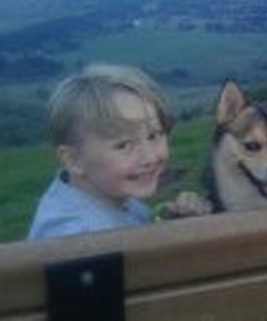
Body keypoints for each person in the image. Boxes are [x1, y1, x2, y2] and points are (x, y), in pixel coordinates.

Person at [27, 63, 210, 240]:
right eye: (123, 145)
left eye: (154, 135)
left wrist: (176, 224)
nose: (149, 157)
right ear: (74, 160)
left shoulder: (104, 194)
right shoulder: (79, 239)